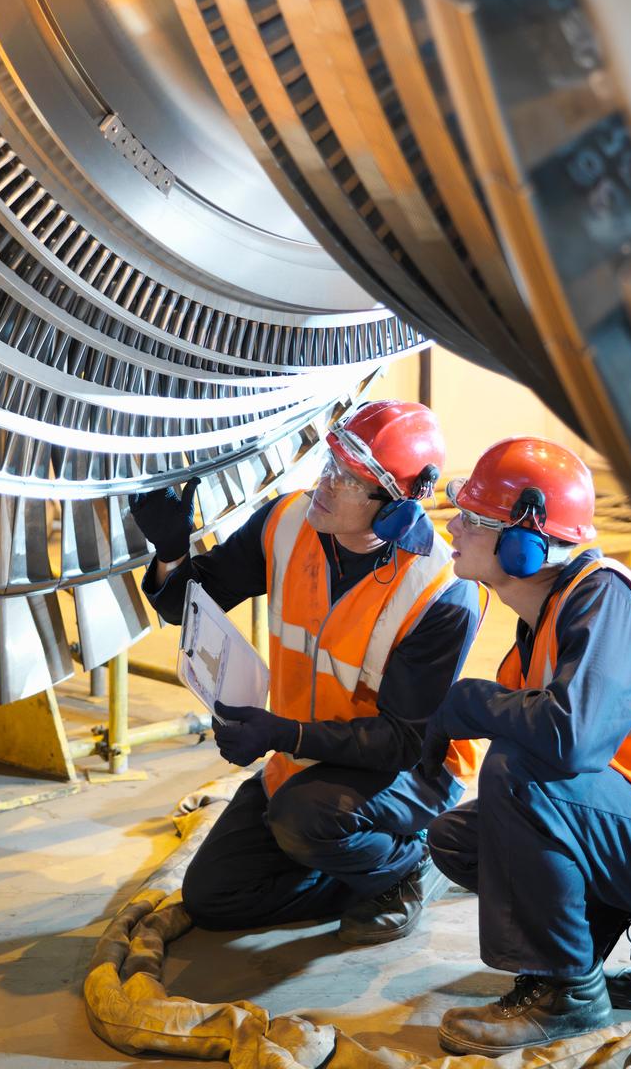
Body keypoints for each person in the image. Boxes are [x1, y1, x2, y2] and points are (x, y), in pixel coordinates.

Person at [420, 436, 631, 1056]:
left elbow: (568, 741)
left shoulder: (606, 601)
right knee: (463, 840)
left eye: (474, 520)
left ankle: (565, 994)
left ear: (525, 544)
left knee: (522, 773)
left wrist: (471, 702)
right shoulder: (544, 622)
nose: (454, 529)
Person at [129, 400, 485, 944]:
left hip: (410, 772)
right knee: (214, 897)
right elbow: (191, 604)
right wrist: (174, 552)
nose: (325, 481)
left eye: (347, 478)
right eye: (330, 463)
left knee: (303, 818)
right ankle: (353, 868)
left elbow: (401, 742)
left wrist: (279, 732)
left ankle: (411, 861)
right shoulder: (287, 522)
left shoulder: (442, 593)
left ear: (394, 510)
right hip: (306, 758)